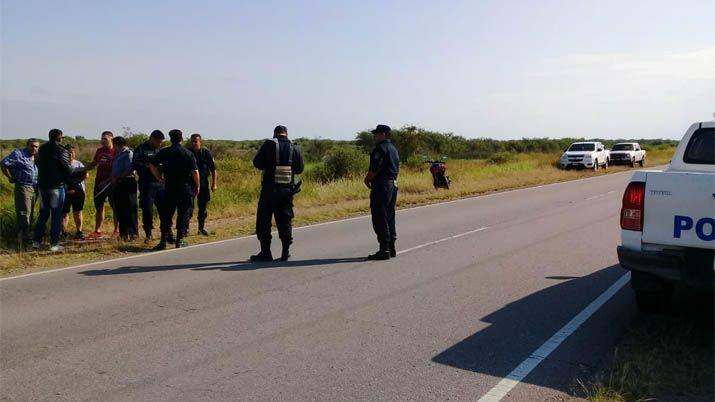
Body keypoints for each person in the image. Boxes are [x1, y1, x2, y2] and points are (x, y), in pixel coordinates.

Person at [250, 125, 304, 262]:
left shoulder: (269, 144)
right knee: (285, 221)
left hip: (269, 190)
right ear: (286, 133)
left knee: (264, 221)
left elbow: (257, 163)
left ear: (275, 134)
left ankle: (266, 252)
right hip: (286, 192)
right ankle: (285, 252)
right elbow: (299, 169)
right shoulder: (295, 147)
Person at [150, 129, 199, 249]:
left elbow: (152, 165)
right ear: (181, 139)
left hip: (169, 187)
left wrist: (159, 178)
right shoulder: (187, 153)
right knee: (183, 214)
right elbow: (195, 172)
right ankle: (179, 240)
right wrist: (197, 186)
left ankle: (163, 241)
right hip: (184, 187)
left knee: (167, 214)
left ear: (170, 139)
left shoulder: (165, 151)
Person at [32, 129, 73, 251]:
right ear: (59, 138)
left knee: (43, 214)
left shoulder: (42, 149)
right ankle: (54, 244)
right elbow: (66, 168)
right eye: (62, 137)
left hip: (43, 186)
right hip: (56, 187)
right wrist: (70, 173)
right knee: (56, 215)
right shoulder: (62, 150)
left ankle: (36, 241)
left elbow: (37, 163)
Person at [363, 124, 400, 260]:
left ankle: (384, 249)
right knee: (390, 215)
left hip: (382, 186)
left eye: (376, 134)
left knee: (380, 216)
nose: (374, 136)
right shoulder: (393, 149)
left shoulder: (380, 149)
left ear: (383, 134)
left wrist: (366, 180)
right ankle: (391, 247)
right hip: (392, 184)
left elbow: (375, 168)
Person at [133, 130, 170, 243]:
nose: (160, 144)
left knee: (164, 209)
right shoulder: (140, 149)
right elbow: (136, 164)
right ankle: (149, 234)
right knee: (147, 210)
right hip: (147, 184)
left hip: (160, 184)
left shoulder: (160, 150)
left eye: (161, 142)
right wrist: (149, 167)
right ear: (152, 139)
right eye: (158, 142)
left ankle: (167, 233)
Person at [1, 138, 39, 247]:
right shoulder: (19, 154)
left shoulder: (37, 156)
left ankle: (27, 237)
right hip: (23, 187)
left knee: (30, 214)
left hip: (35, 188)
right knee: (24, 213)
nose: (34, 148)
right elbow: (4, 163)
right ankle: (23, 240)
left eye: (36, 146)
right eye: (32, 146)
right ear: (27, 145)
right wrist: (10, 177)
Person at [85, 131, 118, 239]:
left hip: (111, 183)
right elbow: (94, 163)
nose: (103, 141)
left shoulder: (116, 151)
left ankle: (116, 230)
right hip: (99, 181)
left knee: (115, 206)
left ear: (111, 139)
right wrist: (81, 169)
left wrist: (108, 180)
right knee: (99, 206)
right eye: (102, 139)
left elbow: (118, 169)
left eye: (105, 139)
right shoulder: (99, 150)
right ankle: (97, 230)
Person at [188, 133, 217, 235]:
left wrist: (214, 184)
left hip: (203, 182)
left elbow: (213, 170)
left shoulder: (206, 153)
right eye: (192, 141)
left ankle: (201, 228)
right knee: (188, 207)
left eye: (196, 141)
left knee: (203, 207)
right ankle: (185, 229)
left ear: (200, 142)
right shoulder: (188, 152)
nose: (194, 143)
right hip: (190, 183)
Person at [110, 136, 138, 240]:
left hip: (127, 183)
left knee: (129, 208)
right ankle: (123, 233)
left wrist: (117, 177)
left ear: (117, 144)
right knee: (120, 209)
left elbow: (129, 169)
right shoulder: (118, 154)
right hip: (118, 184)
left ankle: (132, 233)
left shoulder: (128, 154)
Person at [61, 144, 88, 240]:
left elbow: (86, 175)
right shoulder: (61, 164)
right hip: (65, 192)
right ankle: (64, 232)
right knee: (64, 213)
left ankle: (79, 232)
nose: (70, 155)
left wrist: (74, 182)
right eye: (68, 153)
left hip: (78, 192)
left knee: (78, 212)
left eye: (71, 153)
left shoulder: (79, 164)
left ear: (74, 154)